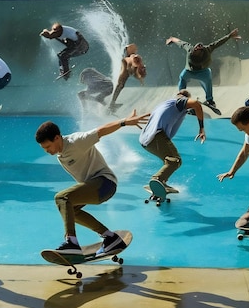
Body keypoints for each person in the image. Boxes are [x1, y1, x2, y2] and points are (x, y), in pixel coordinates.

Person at [35, 110, 150, 255]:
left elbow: (101, 131)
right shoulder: (61, 154)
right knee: (69, 210)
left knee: (62, 198)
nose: (47, 151)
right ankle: (110, 237)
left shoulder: (76, 141)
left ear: (57, 138)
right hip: (95, 186)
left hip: (105, 183)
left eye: (47, 147)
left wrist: (124, 122)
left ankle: (71, 243)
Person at [139, 90, 206, 191]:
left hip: (146, 140)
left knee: (169, 161)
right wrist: (201, 128)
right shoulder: (179, 101)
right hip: (156, 136)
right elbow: (196, 104)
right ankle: (157, 180)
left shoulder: (165, 104)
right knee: (175, 160)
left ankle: (161, 183)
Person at [166, 29, 241, 115]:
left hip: (203, 72)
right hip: (189, 71)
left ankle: (210, 100)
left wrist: (229, 36)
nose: (196, 48)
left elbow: (218, 43)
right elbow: (180, 42)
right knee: (182, 77)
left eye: (199, 47)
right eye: (196, 47)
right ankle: (181, 98)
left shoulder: (207, 49)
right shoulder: (189, 48)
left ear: (202, 51)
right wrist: (172, 39)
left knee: (208, 79)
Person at [109, 43, 147, 112]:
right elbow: (131, 61)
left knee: (121, 84)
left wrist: (141, 78)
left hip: (131, 65)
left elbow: (138, 71)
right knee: (120, 85)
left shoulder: (138, 61)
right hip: (126, 66)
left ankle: (112, 103)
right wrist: (130, 67)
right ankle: (112, 104)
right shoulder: (134, 58)